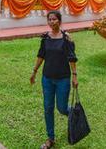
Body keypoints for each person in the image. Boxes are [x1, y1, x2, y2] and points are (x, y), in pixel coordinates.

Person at [29, 11, 78, 149]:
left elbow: (72, 58)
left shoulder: (66, 38)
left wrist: (74, 75)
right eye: (49, 19)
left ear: (60, 21)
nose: (51, 22)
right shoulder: (45, 38)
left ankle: (74, 115)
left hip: (62, 78)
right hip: (47, 79)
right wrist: (34, 72)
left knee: (62, 108)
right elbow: (41, 55)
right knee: (48, 108)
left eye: (54, 19)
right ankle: (50, 138)